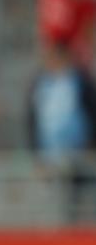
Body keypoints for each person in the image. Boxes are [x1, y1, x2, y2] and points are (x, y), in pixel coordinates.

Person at [28, 43, 96, 221]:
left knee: (77, 202)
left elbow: (92, 112)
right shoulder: (40, 84)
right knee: (50, 204)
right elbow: (32, 119)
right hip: (49, 154)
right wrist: (36, 152)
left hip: (77, 152)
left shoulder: (80, 82)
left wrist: (91, 144)